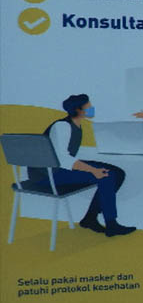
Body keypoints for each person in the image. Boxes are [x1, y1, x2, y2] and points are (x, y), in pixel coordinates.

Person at [39, 94, 134, 237]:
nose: (92, 108)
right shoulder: (62, 126)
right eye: (88, 106)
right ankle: (111, 224)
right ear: (78, 110)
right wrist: (93, 170)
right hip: (49, 174)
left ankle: (90, 218)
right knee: (107, 175)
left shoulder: (76, 125)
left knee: (118, 173)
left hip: (60, 169)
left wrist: (93, 169)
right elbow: (62, 159)